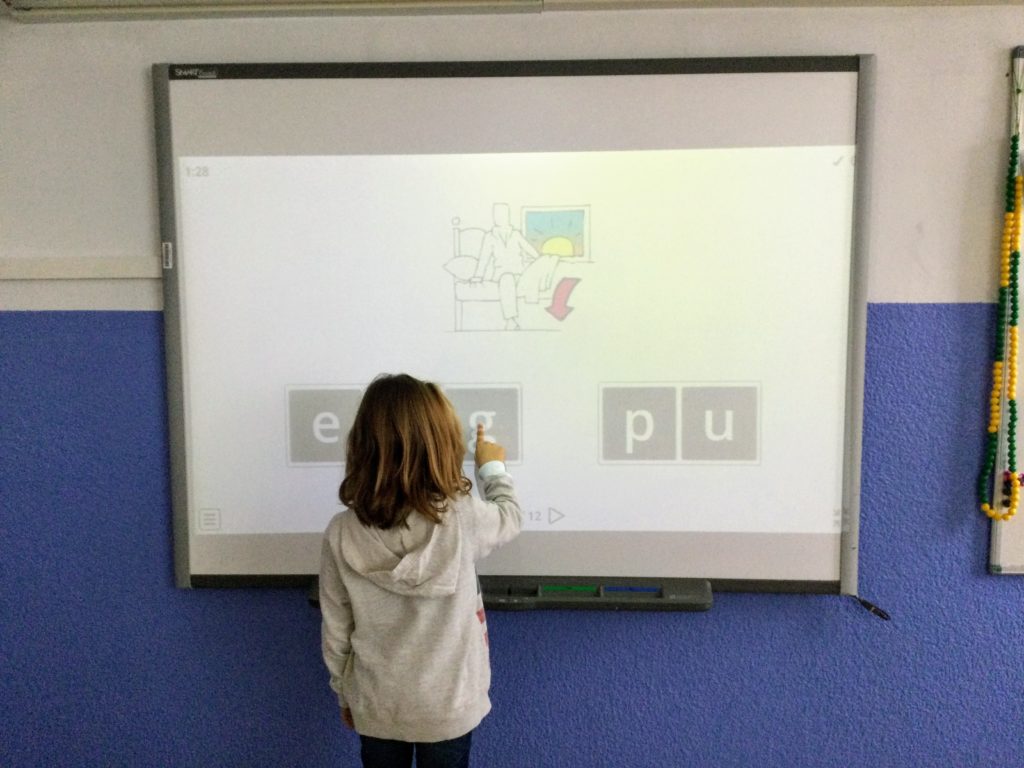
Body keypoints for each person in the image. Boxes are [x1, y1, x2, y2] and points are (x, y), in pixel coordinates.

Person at [319, 373, 522, 768]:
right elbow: (509, 517)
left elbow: (336, 628)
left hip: (376, 703)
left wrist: (345, 693)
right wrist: (492, 468)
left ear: (362, 445)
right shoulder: (462, 517)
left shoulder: (341, 532)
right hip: (450, 705)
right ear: (442, 444)